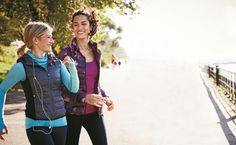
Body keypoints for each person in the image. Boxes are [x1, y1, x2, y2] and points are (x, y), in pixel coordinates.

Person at [0, 21, 79, 145]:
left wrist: (72, 68)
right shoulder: (22, 66)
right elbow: (1, 90)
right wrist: (0, 121)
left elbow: (73, 88)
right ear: (36, 40)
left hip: (61, 124)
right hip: (36, 126)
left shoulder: (57, 63)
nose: (52, 40)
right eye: (48, 37)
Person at [58, 8, 114, 145]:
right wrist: (84, 97)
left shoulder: (96, 51)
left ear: (90, 27)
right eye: (75, 24)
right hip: (71, 113)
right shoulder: (66, 53)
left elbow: (94, 81)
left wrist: (105, 96)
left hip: (94, 112)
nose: (79, 27)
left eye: (83, 24)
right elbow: (60, 87)